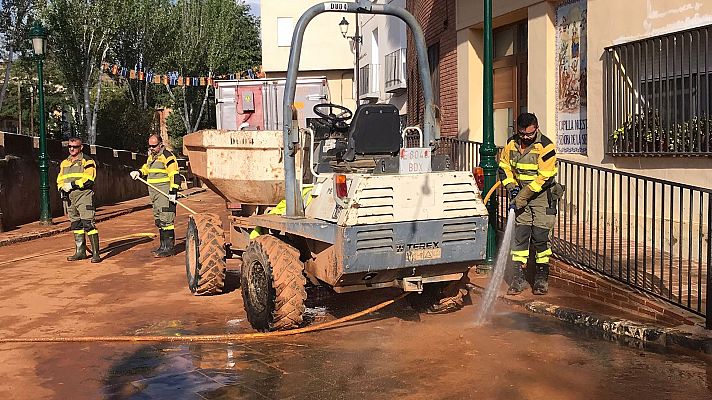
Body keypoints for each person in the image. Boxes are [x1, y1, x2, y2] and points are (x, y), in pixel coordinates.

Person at [498, 113, 563, 295]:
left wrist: (523, 195)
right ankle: (519, 278)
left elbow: (544, 177)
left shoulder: (546, 146)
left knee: (541, 237)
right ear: (517, 129)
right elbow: (504, 167)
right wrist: (512, 187)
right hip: (520, 194)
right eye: (522, 134)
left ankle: (541, 278)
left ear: (536, 128)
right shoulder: (511, 144)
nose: (526, 137)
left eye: (530, 134)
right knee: (521, 235)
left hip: (542, 196)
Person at [130, 134, 180, 257]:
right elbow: (147, 168)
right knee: (159, 220)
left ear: (161, 144)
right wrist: (139, 172)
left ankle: (169, 248)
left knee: (166, 219)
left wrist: (173, 191)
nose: (151, 148)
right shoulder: (152, 157)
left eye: (154, 146)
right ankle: (163, 246)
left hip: (165, 193)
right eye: (150, 146)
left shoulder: (167, 157)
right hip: (154, 193)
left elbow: (174, 174)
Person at [57, 137, 101, 263]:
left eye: (74, 146)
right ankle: (80, 252)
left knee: (88, 223)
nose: (71, 149)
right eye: (69, 146)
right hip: (70, 197)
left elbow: (89, 180)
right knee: (76, 224)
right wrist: (61, 187)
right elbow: (60, 178)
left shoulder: (87, 161)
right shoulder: (65, 162)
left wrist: (72, 185)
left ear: (81, 147)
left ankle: (96, 254)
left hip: (84, 195)